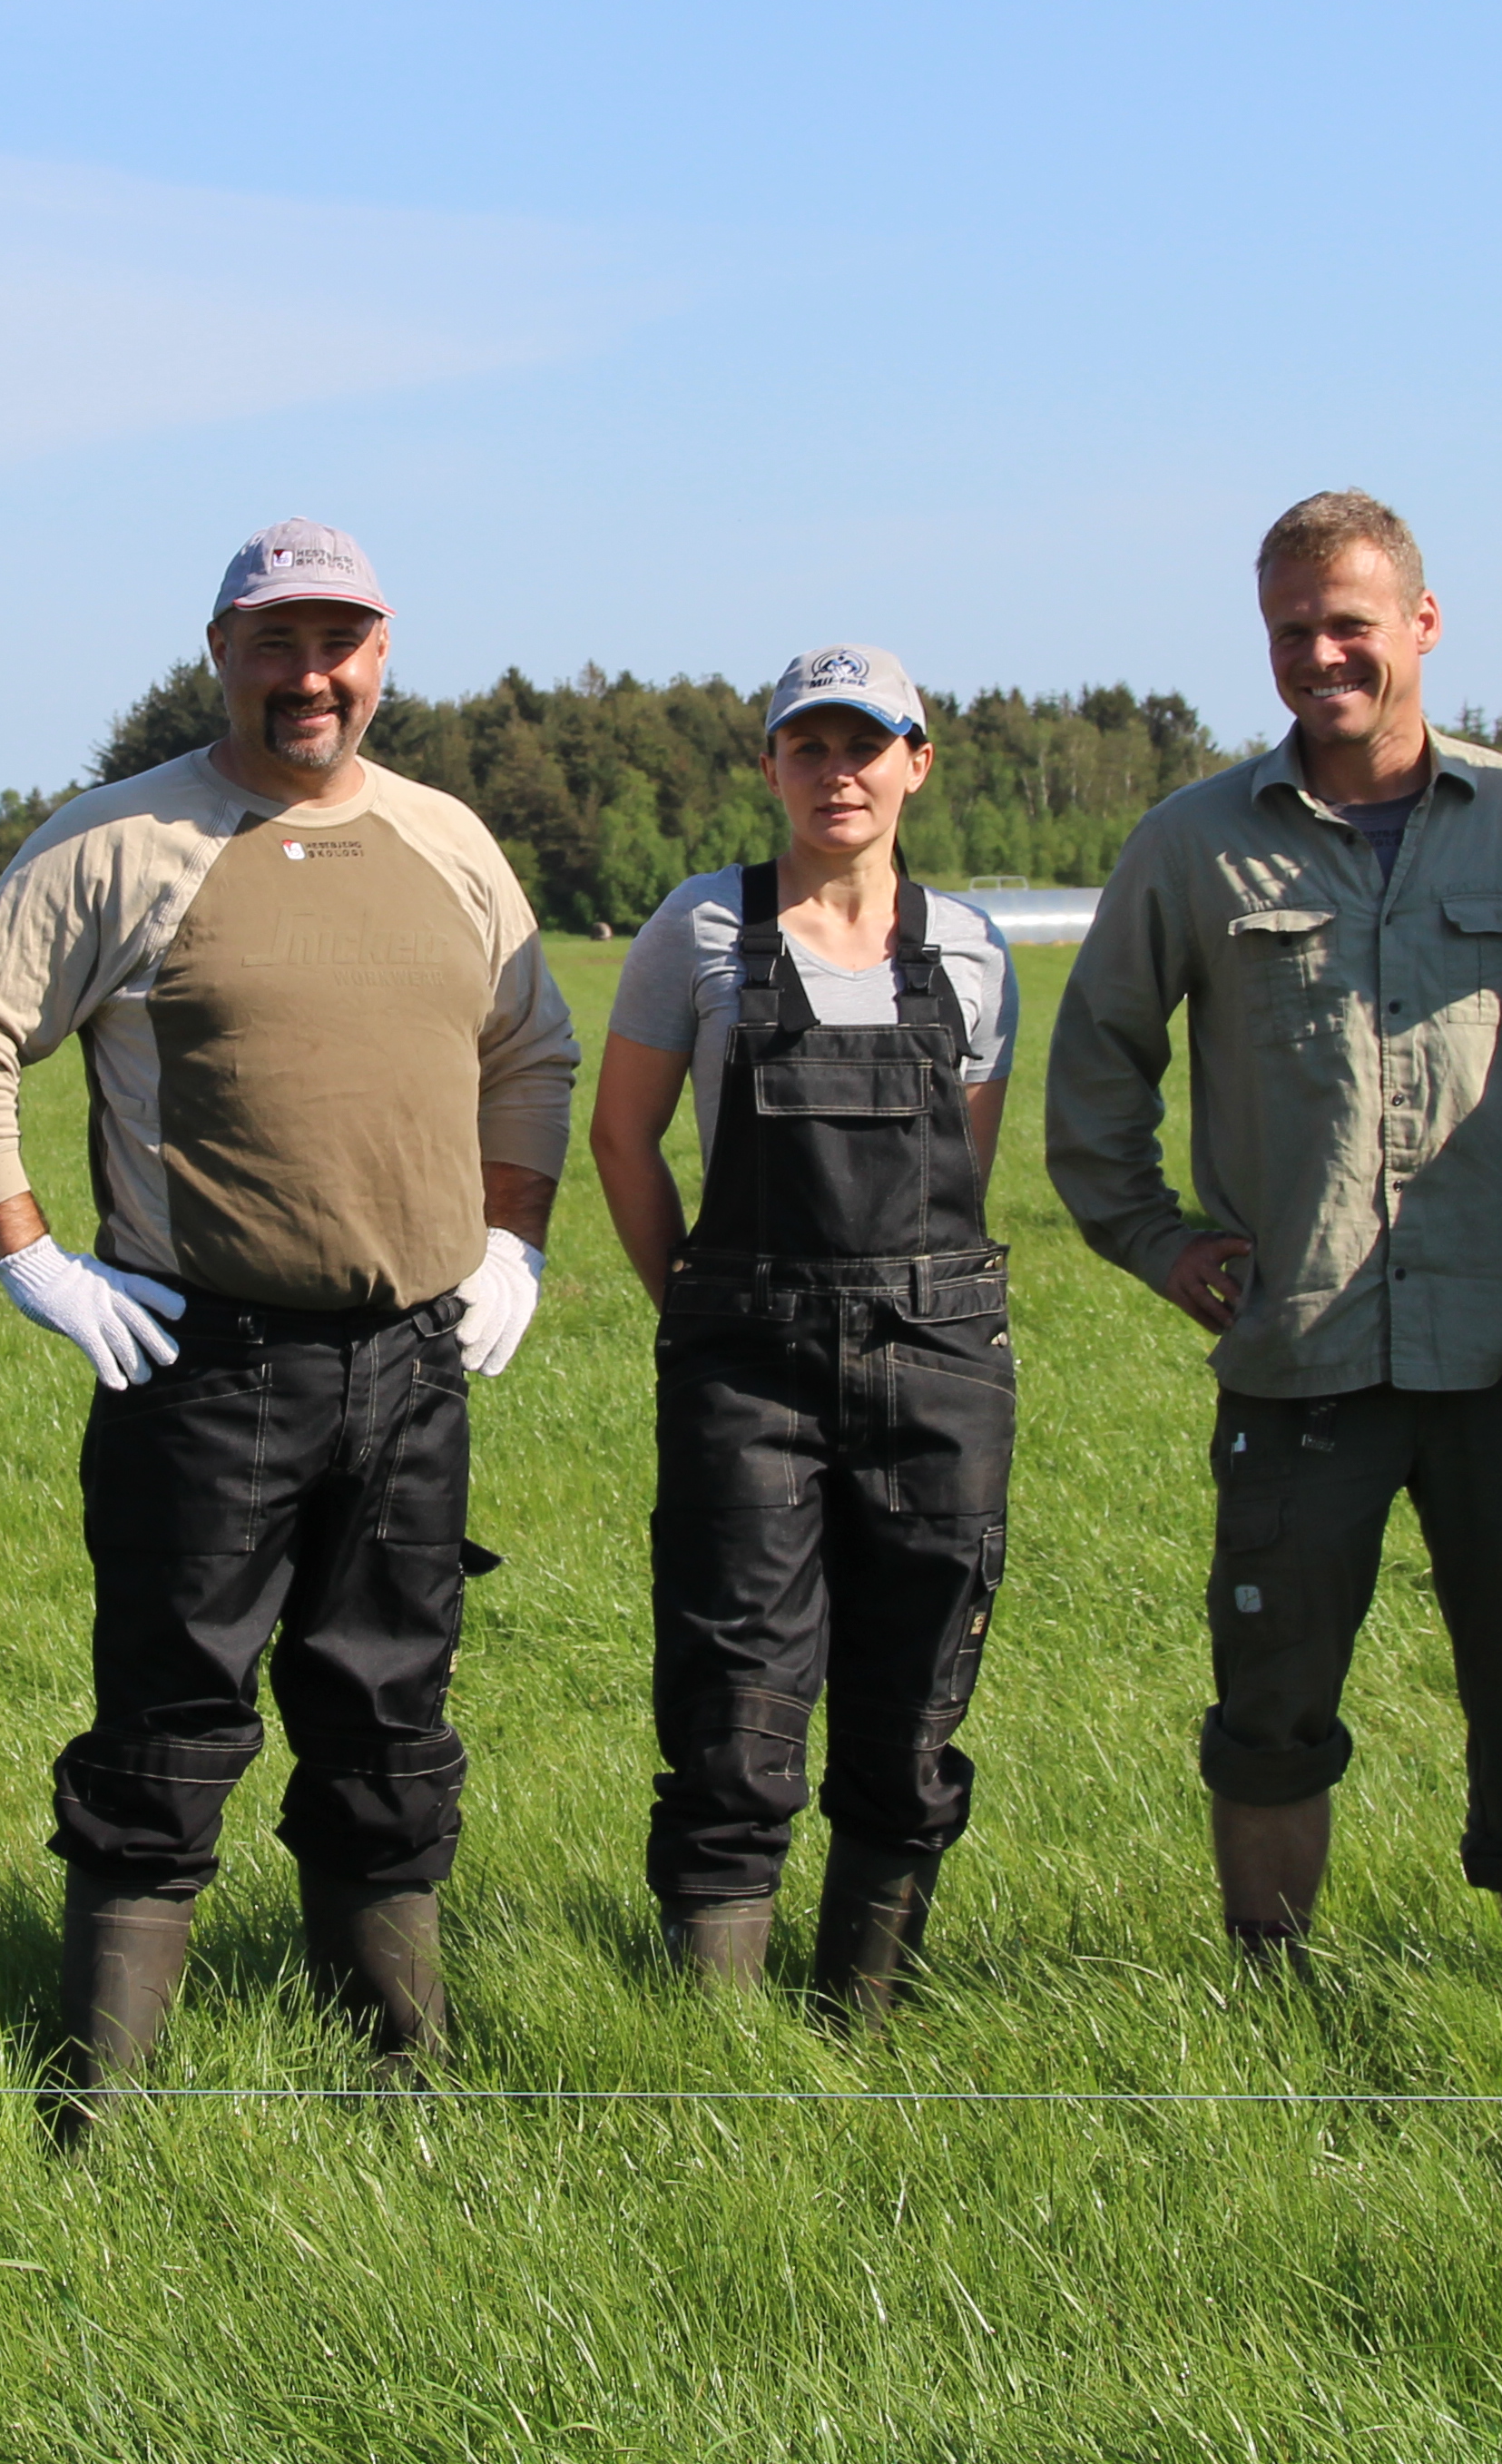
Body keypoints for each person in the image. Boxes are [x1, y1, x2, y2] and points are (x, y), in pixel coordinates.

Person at [0, 518, 575, 2115]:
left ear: (384, 655)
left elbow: (529, 1054)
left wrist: (513, 1247)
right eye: (275, 642)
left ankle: (399, 2077)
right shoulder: (120, 843)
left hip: (415, 1366)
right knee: (167, 1722)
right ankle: (97, 2103)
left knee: (390, 1718)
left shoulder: (450, 841)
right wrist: (33, 1260)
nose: (310, 675)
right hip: (205, 1368)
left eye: (338, 641)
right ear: (221, 656)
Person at [1045, 491, 1502, 1968]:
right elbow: (1099, 1060)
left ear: (1423, 625)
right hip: (1297, 1348)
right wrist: (1155, 1238)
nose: (1324, 656)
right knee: (1271, 1683)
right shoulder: (1194, 844)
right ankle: (1270, 1972)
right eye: (1294, 631)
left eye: (1352, 625)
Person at [586, 645, 1024, 2017]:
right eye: (809, 747)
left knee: (914, 1699)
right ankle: (713, 2038)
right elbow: (623, 1137)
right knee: (735, 1696)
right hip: (747, 1367)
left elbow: (969, 1165)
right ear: (770, 765)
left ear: (916, 760)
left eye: (866, 745)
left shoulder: (969, 948)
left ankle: (867, 2009)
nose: (839, 772)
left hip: (938, 1363)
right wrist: (703, 1309)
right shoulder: (702, 927)